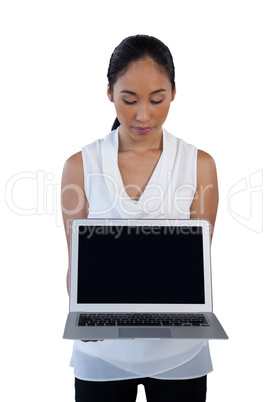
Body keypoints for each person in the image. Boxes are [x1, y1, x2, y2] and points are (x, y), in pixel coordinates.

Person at [61, 34, 218, 402]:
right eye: (128, 100)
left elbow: (198, 263)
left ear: (174, 93)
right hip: (101, 354)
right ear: (109, 93)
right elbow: (75, 263)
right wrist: (80, 312)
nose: (142, 114)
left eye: (157, 99)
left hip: (179, 353)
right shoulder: (80, 166)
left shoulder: (199, 165)